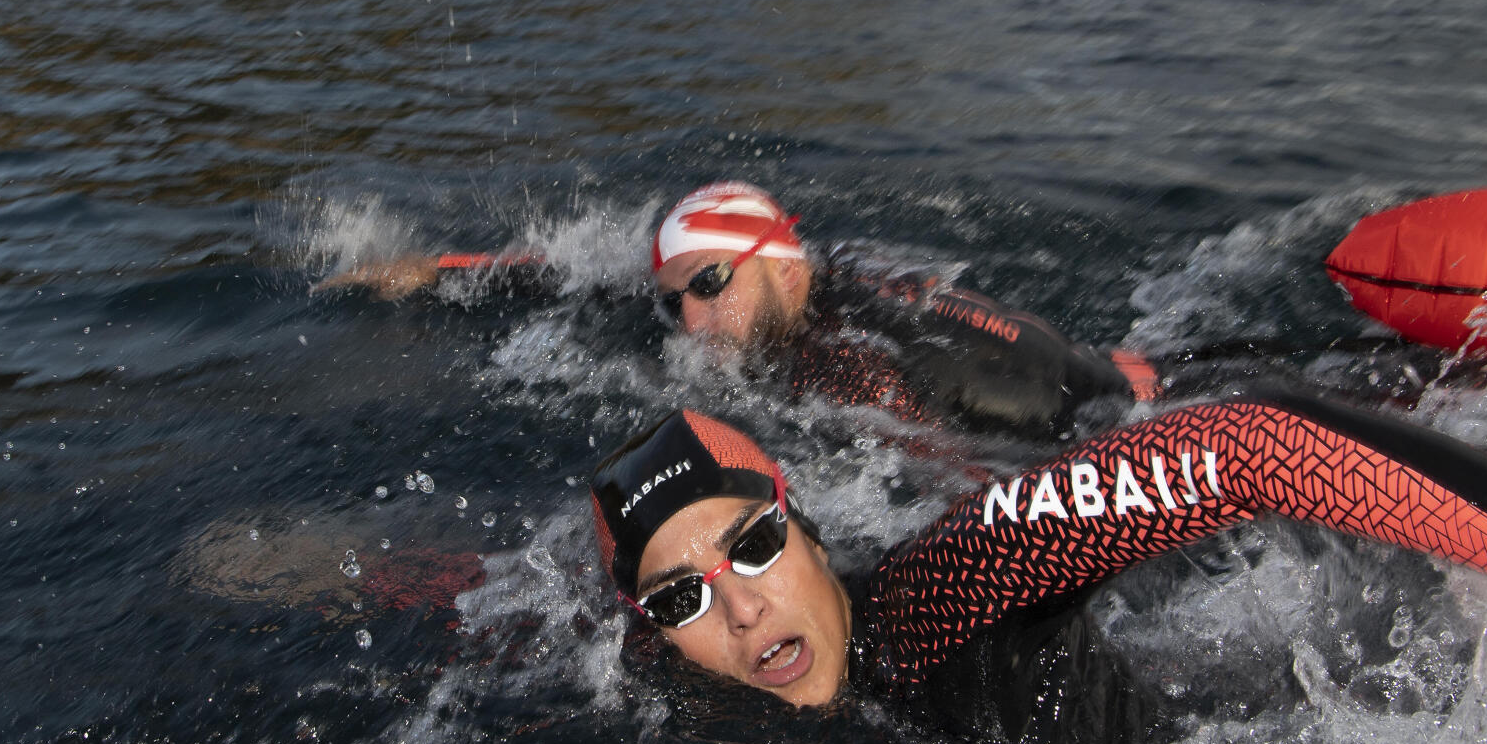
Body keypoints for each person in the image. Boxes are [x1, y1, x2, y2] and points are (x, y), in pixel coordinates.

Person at [588, 394, 1487, 744]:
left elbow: (1232, 449)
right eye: (682, 597)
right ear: (655, 636)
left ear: (806, 533)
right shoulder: (704, 722)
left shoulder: (933, 597)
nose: (740, 604)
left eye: (749, 545)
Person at [314, 181, 1162, 437]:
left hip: (1151, 419)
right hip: (1123, 364)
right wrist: (437, 268)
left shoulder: (848, 364)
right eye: (673, 297)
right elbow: (579, 271)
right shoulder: (821, 272)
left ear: (784, 273)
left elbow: (954, 489)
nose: (687, 319)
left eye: (709, 285)